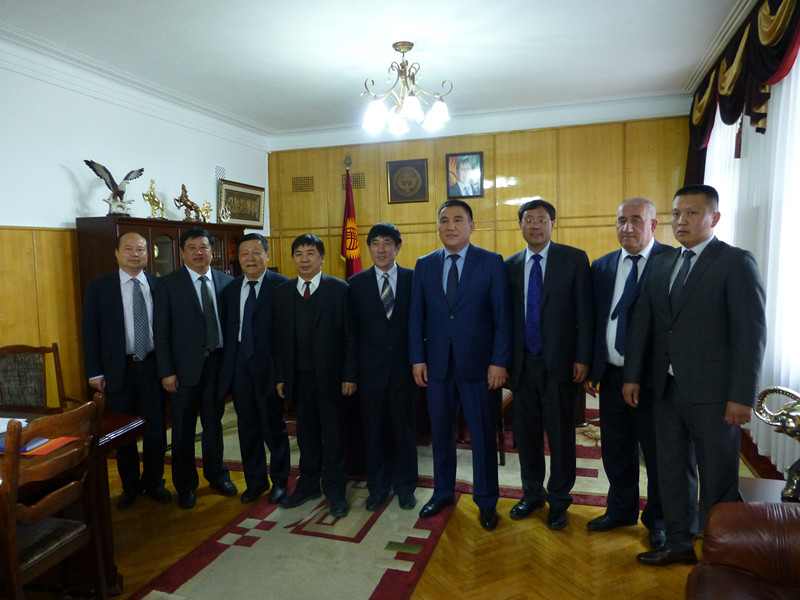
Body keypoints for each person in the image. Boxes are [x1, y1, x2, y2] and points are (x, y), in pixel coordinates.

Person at [623, 184, 767, 566]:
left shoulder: (735, 262)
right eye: (675, 214)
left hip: (715, 395)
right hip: (667, 389)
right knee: (671, 470)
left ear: (713, 218)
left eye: (691, 213)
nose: (680, 221)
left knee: (717, 475)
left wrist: (742, 396)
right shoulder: (662, 263)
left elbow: (750, 334)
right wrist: (632, 375)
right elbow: (644, 323)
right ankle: (679, 543)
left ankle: (721, 551)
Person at [409, 199, 512, 531]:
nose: (450, 226)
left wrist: (499, 362)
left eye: (457, 220)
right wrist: (417, 358)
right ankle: (442, 492)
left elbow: (503, 318)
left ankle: (486, 500)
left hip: (480, 368)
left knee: (482, 435)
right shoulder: (424, 265)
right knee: (440, 434)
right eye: (444, 220)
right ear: (437, 227)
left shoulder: (491, 262)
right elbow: (416, 317)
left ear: (471, 226)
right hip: (437, 367)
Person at [584, 198, 674, 550]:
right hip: (611, 375)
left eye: (636, 220)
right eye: (622, 220)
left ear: (653, 225)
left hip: (654, 381)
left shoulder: (671, 261)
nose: (627, 227)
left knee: (657, 454)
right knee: (616, 449)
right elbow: (594, 320)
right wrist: (591, 366)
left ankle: (659, 519)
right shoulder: (602, 266)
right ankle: (620, 510)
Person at [504, 199, 593, 530]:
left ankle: (559, 499)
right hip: (523, 365)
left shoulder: (574, 259)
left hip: (561, 364)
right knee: (526, 435)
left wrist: (582, 358)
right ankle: (532, 494)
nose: (535, 226)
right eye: (529, 220)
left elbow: (586, 313)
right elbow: (506, 318)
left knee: (560, 436)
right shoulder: (510, 265)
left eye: (542, 219)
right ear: (520, 225)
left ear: (553, 223)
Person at [82, 231, 171, 509]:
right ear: (117, 253)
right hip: (118, 369)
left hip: (153, 366)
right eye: (129, 249)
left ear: (148, 254)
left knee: (156, 430)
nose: (135, 254)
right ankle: (130, 486)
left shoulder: (159, 285)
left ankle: (154, 482)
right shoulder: (100, 287)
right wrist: (95, 372)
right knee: (123, 432)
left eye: (141, 249)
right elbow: (90, 332)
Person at [273, 234, 357, 518]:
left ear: (322, 257)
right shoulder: (283, 293)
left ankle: (335, 492)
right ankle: (308, 485)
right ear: (293, 259)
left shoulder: (340, 290)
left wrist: (349, 375)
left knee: (334, 437)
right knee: (306, 437)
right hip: (299, 379)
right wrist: (282, 377)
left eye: (310, 253)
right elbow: (280, 341)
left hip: (332, 379)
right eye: (299, 254)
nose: (304, 259)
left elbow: (350, 337)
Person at [154, 227, 236, 509]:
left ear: (213, 251)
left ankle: (217, 475)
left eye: (204, 247)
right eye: (192, 248)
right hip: (183, 370)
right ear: (182, 252)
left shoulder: (226, 282)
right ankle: (186, 485)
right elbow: (161, 332)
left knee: (214, 425)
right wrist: (166, 371)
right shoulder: (168, 284)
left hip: (217, 366)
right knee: (183, 430)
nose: (199, 253)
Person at [348, 223, 418, 512]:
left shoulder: (414, 279)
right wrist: (351, 374)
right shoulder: (355, 283)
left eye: (387, 243)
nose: (381, 249)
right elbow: (351, 334)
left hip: (405, 372)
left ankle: (405, 487)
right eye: (375, 243)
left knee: (405, 432)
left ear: (397, 247)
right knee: (373, 434)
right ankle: (377, 488)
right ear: (368, 248)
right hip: (370, 374)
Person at [219, 234, 290, 504]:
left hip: (270, 367)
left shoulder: (282, 287)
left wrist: (283, 374)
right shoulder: (229, 290)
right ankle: (255, 481)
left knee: (274, 428)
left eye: (256, 252)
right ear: (238, 258)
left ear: (267, 256)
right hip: (240, 366)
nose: (250, 258)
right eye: (244, 253)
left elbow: (287, 336)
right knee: (247, 427)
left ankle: (280, 481)